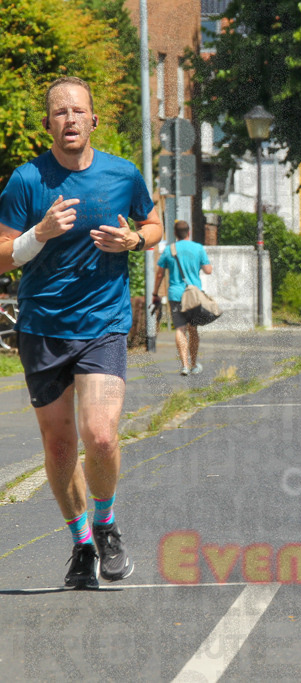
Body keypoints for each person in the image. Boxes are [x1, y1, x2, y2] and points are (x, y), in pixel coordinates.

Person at [0, 76, 163, 588]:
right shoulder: (27, 181)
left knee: (101, 435)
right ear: (48, 124)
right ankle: (81, 543)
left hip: (104, 324)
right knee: (59, 447)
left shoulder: (122, 174)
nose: (70, 119)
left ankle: (107, 524)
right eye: (59, 113)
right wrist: (38, 234)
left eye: (78, 111)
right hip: (43, 328)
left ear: (93, 120)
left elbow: (155, 223)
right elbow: (3, 255)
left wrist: (135, 239)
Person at [152, 220, 213, 375]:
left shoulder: (169, 250)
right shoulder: (198, 248)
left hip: (175, 294)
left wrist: (155, 293)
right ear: (189, 232)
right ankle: (193, 364)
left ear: (174, 233)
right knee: (193, 329)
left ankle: (184, 365)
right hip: (193, 295)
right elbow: (208, 270)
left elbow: (159, 274)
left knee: (180, 329)